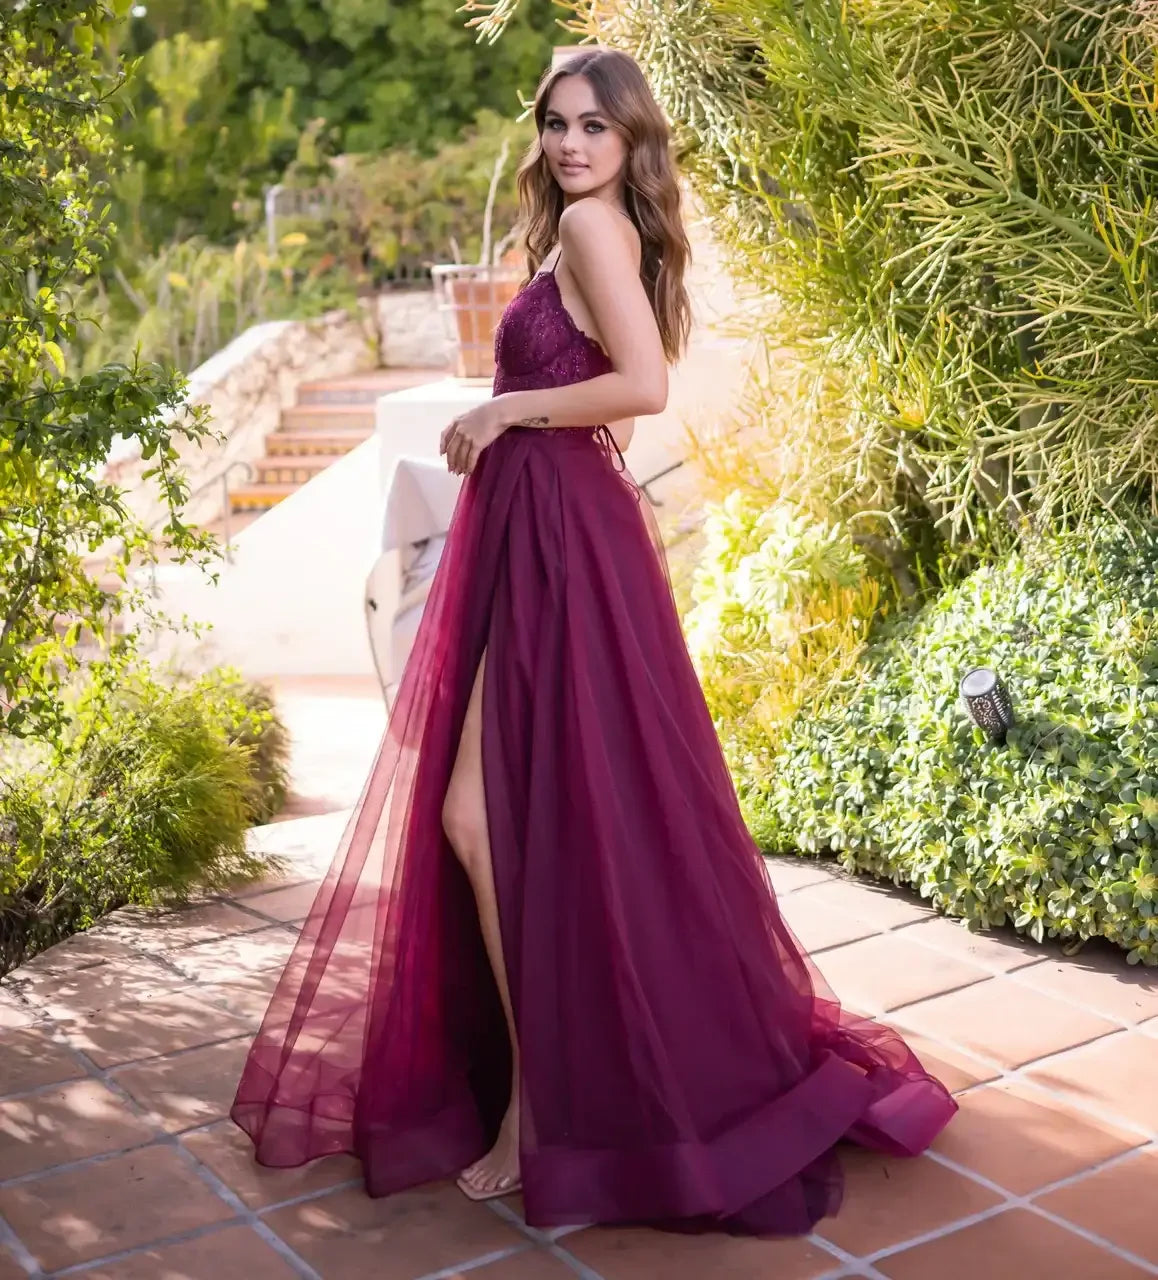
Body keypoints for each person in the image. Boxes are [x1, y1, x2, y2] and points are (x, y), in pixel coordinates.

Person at [230, 47, 956, 1236]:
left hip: (565, 540)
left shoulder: (592, 229)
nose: (571, 143)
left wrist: (506, 403)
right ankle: (542, 1092)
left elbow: (648, 384)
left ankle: (538, 1112)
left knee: (526, 818)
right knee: (507, 816)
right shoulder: (588, 225)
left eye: (594, 128)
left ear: (629, 142)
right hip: (544, 534)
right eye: (556, 123)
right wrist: (512, 418)